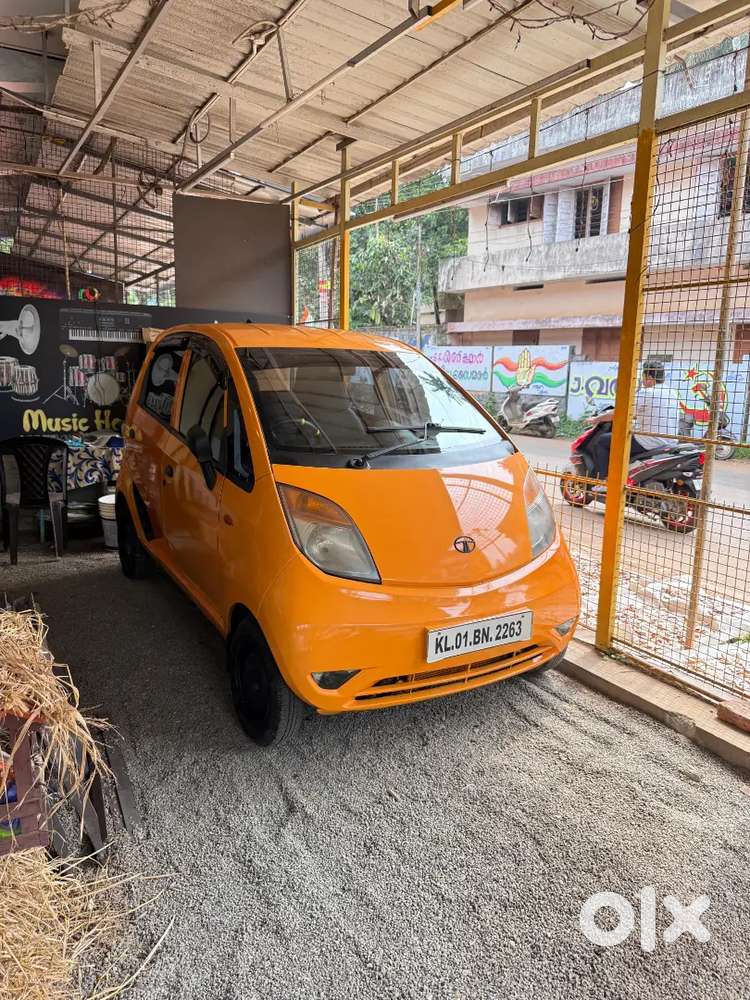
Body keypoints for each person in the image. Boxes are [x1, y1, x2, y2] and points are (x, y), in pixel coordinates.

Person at [588, 359, 679, 482]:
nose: (642, 379)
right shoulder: (671, 392)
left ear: (649, 377)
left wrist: (596, 419)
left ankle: (605, 480)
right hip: (670, 441)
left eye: (643, 375)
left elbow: (620, 413)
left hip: (650, 441)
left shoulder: (647, 392)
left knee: (602, 441)